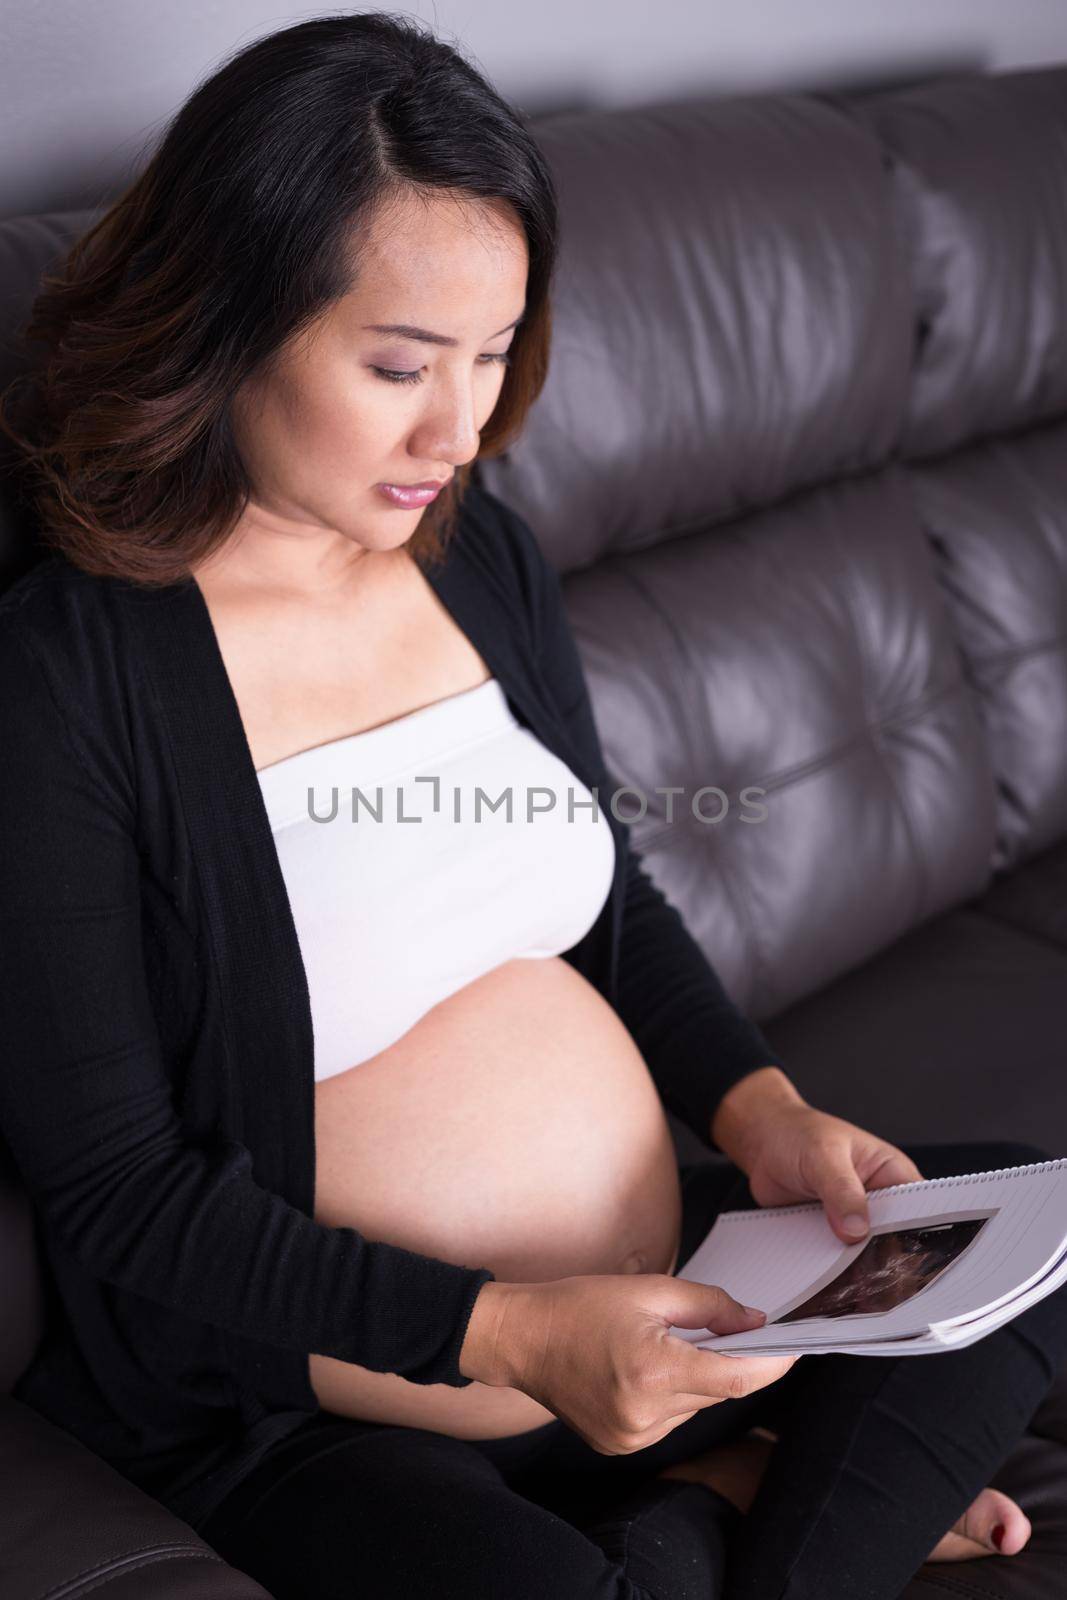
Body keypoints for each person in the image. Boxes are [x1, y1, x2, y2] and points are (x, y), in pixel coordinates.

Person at [0, 15, 1063, 1599]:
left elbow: (613, 904)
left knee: (1022, 1245)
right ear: (227, 318)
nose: (464, 429)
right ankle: (769, 1517)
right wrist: (508, 1331)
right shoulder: (72, 671)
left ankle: (725, 1509)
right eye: (400, 364)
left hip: (674, 1286)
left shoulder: (469, 548)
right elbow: (119, 1195)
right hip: (317, 1397)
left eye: (496, 355)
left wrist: (763, 1116)